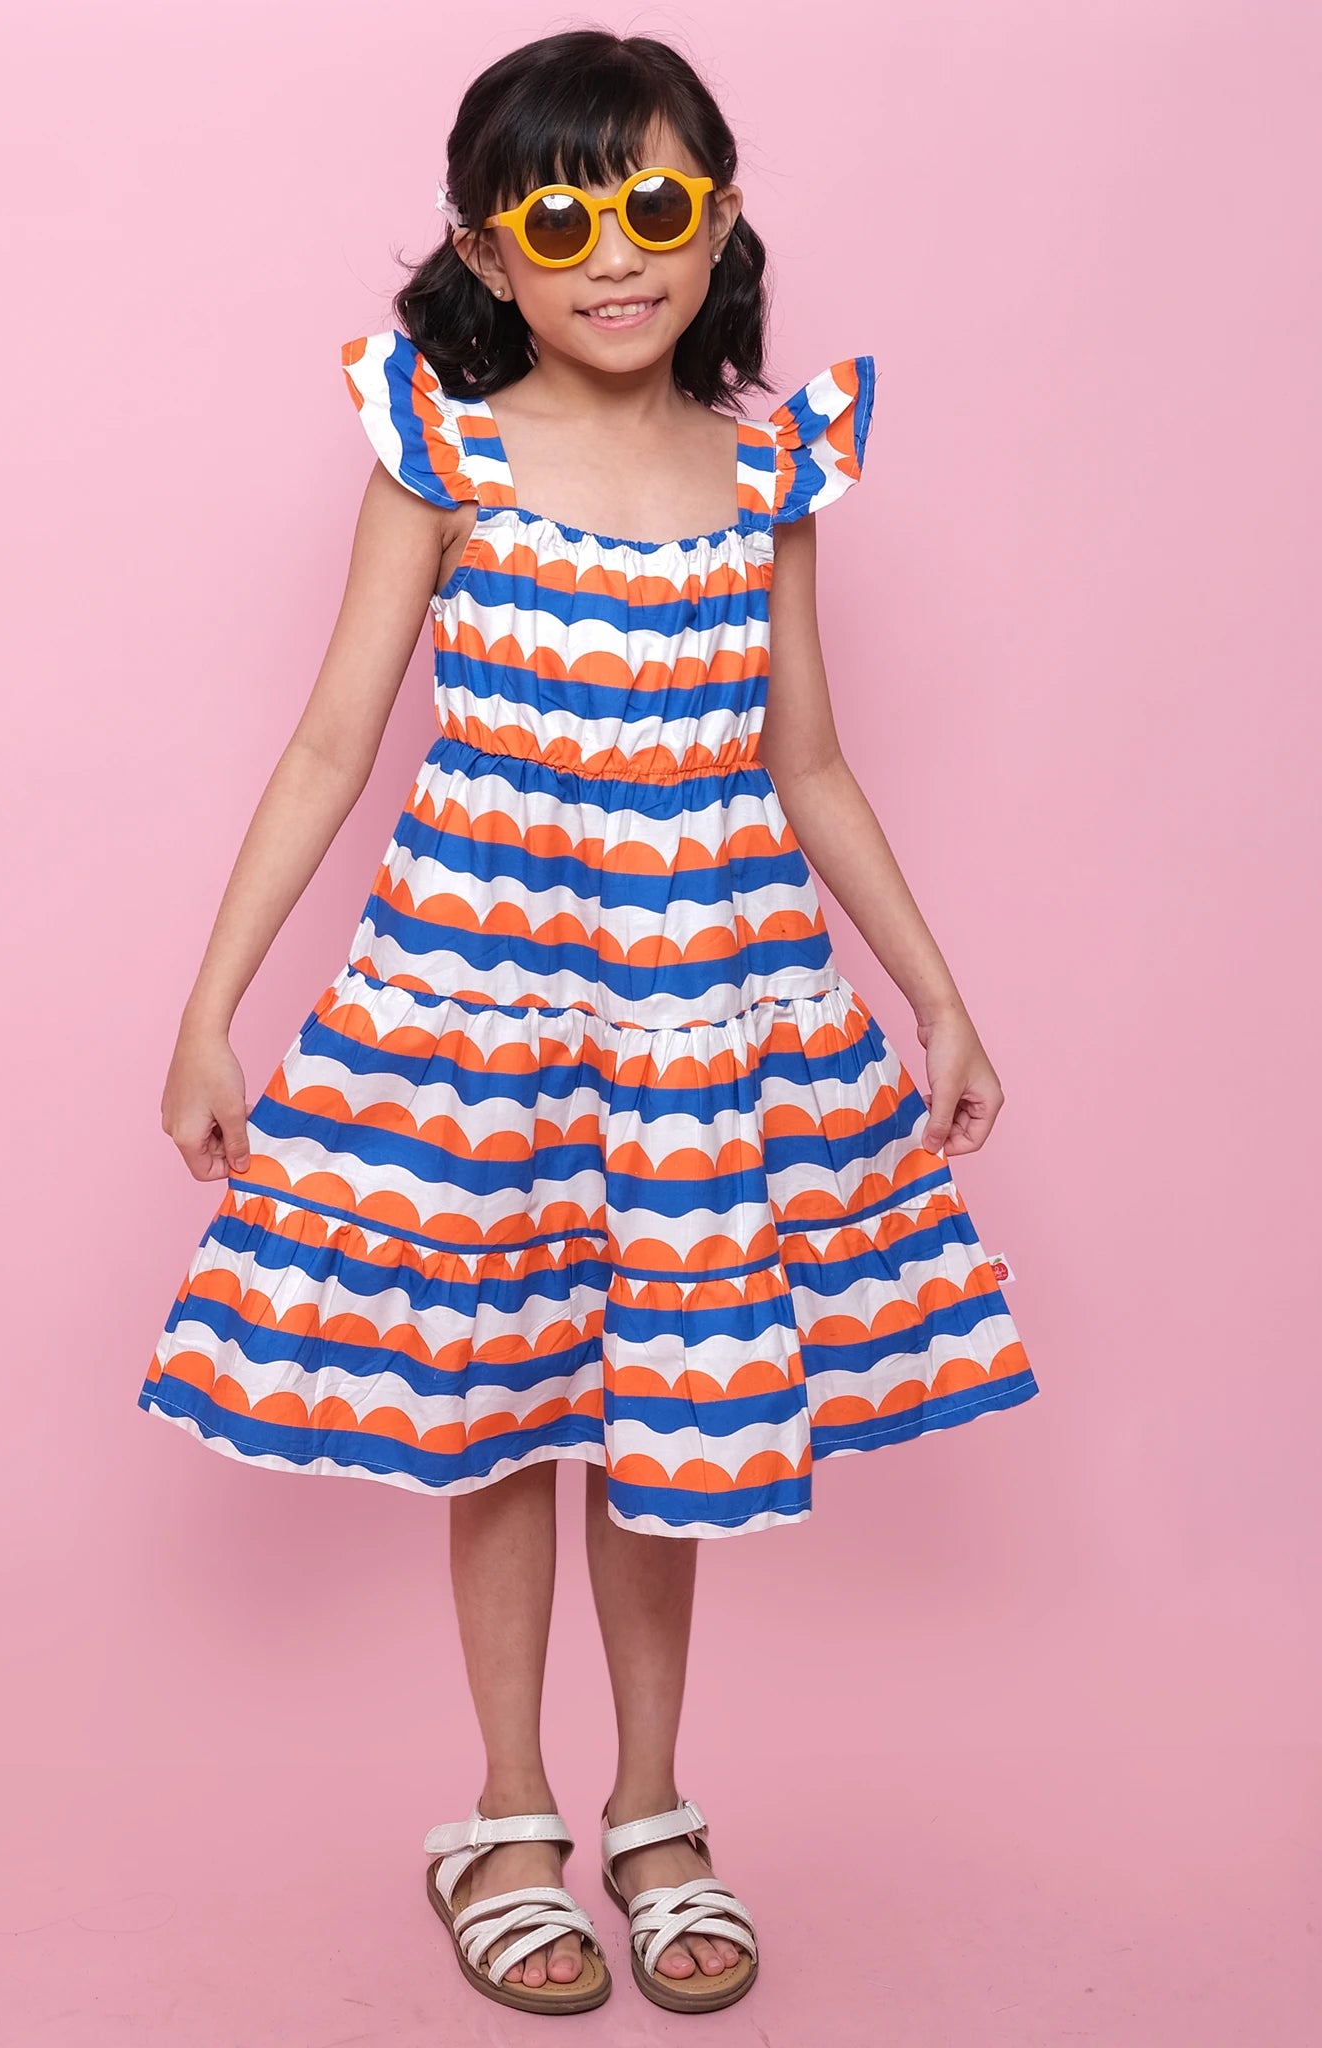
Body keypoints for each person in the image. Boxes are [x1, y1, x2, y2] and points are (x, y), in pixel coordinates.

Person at [137, 27, 1040, 2017]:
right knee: (501, 1405)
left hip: (705, 1008)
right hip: (484, 1003)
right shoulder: (445, 451)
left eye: (655, 203)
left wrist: (937, 990)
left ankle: (655, 1808)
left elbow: (810, 761)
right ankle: (510, 1813)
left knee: (675, 1404)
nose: (616, 252)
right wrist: (213, 1010)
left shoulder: (770, 468)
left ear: (719, 218)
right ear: (486, 248)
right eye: (560, 220)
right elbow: (328, 744)